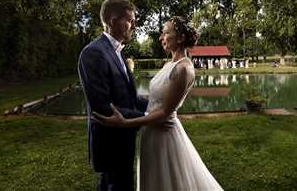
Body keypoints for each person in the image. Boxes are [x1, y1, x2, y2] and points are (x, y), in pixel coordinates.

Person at [93, 16, 223, 191]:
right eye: (162, 33)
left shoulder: (183, 69)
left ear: (180, 38)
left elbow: (164, 113)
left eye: (166, 33)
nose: (161, 38)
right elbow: (156, 99)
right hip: (151, 133)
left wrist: (125, 123)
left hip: (164, 136)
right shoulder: (170, 64)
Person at [78, 0, 149, 191]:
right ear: (112, 20)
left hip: (124, 138)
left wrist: (157, 105)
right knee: (117, 185)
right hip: (109, 142)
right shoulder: (93, 53)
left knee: (117, 184)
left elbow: (129, 96)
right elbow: (102, 106)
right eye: (130, 20)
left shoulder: (118, 51)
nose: (134, 25)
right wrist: (147, 117)